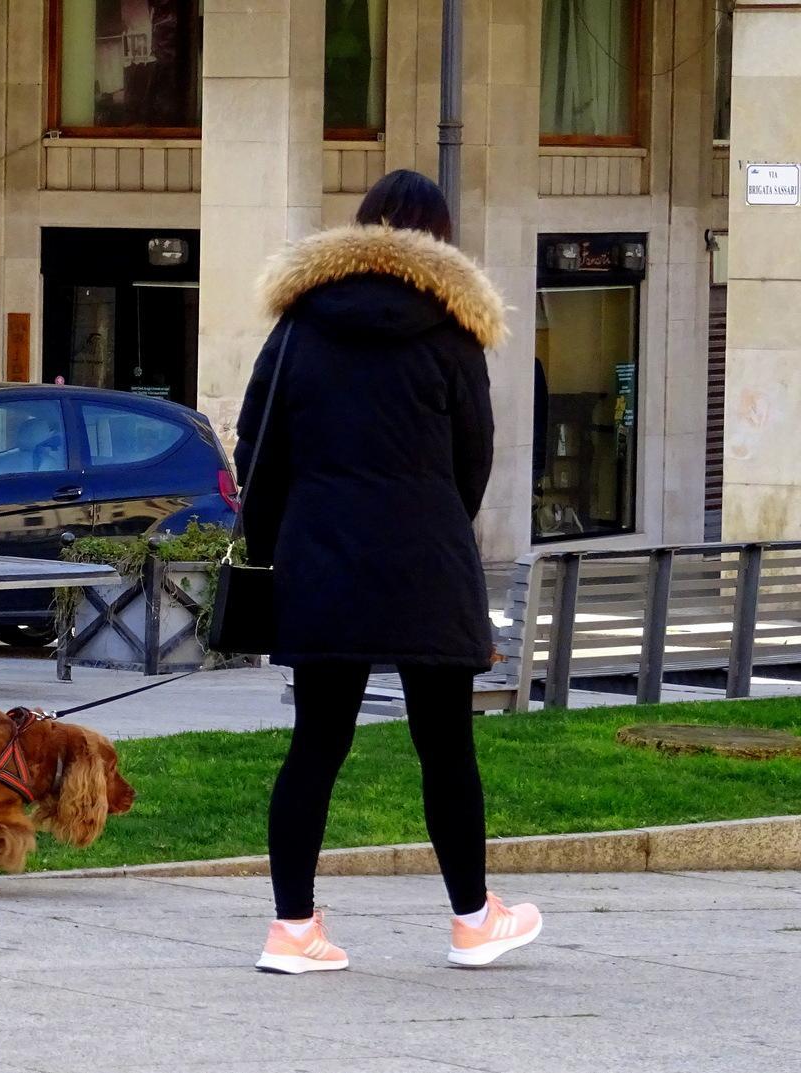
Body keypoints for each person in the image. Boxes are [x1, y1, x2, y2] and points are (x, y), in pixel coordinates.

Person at [236, 170, 542, 974]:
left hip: (321, 559)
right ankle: (474, 921)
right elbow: (474, 460)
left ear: (362, 230)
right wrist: (434, 516)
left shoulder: (300, 326)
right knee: (446, 748)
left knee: (315, 744)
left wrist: (273, 542)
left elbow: (256, 447)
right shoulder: (453, 331)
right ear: (437, 240)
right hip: (427, 563)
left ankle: (292, 930)